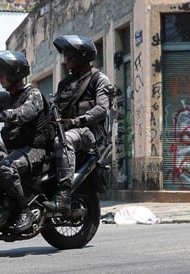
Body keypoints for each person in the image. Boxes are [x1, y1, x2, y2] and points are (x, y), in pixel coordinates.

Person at [43, 35, 113, 212]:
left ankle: (64, 195)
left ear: (82, 56)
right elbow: (53, 106)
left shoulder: (99, 79)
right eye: (65, 55)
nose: (66, 59)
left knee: (63, 141)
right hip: (67, 128)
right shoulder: (65, 83)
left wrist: (77, 120)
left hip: (90, 132)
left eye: (69, 56)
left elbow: (102, 109)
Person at [0, 50, 51, 233]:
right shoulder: (6, 98)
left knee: (5, 168)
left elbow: (26, 112)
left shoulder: (33, 94)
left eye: (2, 74)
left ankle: (24, 210)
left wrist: (4, 115)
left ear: (15, 73)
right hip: (14, 149)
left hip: (34, 149)